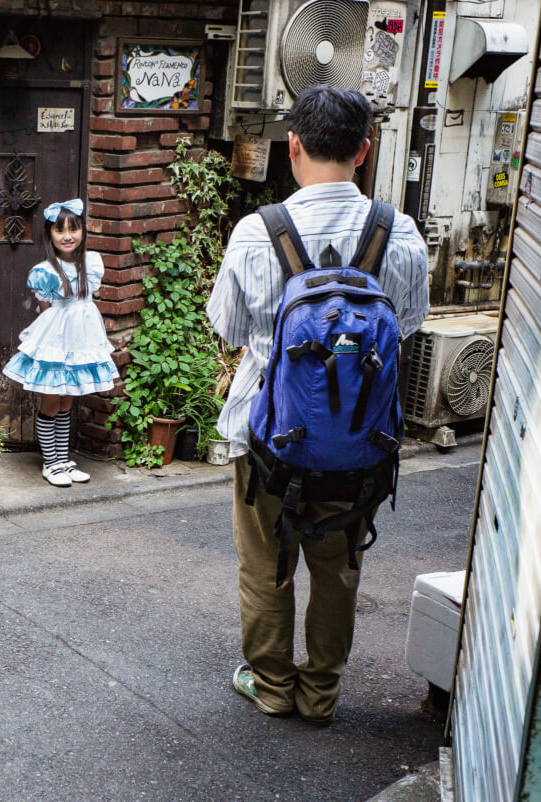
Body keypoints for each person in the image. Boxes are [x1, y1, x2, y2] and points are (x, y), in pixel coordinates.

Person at [207, 85, 429, 725]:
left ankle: (273, 685)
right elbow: (405, 324)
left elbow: (227, 327)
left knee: (266, 565)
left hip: (270, 438)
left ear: (293, 144)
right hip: (361, 443)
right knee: (339, 570)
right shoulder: (400, 233)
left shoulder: (258, 233)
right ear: (364, 150)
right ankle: (321, 694)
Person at [2, 199, 119, 487]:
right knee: (52, 399)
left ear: (82, 231)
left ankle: (63, 459)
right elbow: (47, 312)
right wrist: (52, 347)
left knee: (68, 399)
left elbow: (86, 301)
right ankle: (50, 463)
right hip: (57, 339)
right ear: (50, 234)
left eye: (74, 229)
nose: (68, 235)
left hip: (84, 336)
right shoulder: (45, 271)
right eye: (60, 230)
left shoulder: (91, 263)